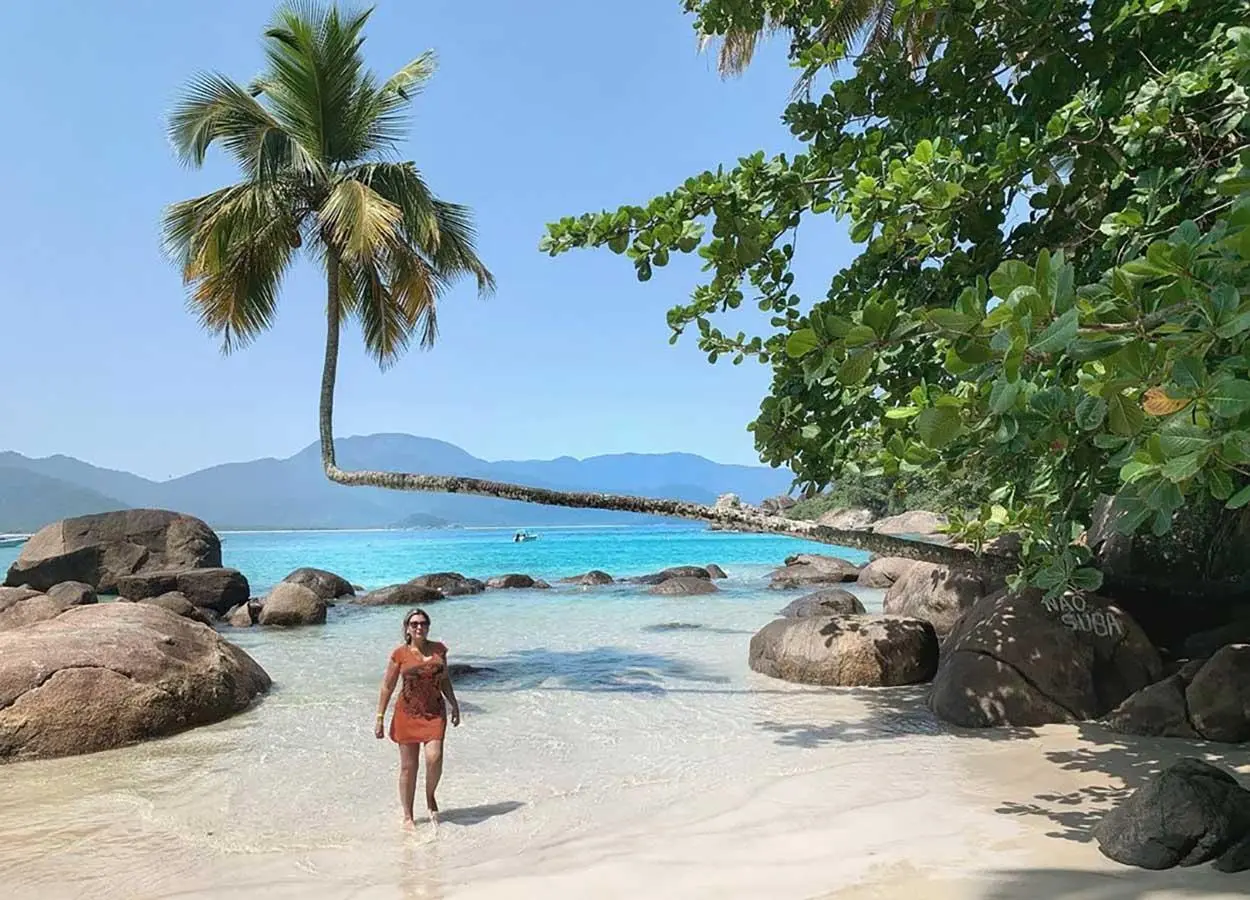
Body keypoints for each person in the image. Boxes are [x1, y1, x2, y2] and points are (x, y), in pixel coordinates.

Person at [375, 608, 461, 828]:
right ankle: (408, 815)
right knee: (408, 767)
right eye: (414, 624)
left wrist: (454, 704)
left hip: (434, 712)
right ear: (407, 628)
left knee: (434, 757)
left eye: (423, 623)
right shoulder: (399, 654)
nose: (419, 627)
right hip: (407, 714)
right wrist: (380, 717)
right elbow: (387, 686)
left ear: (428, 625)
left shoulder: (439, 650)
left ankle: (430, 795)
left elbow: (444, 680)